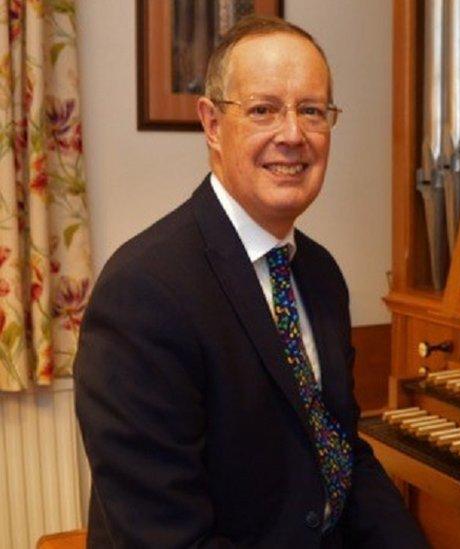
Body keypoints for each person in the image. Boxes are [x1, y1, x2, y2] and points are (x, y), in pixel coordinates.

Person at [74, 16, 428, 548]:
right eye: (263, 110)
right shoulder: (141, 293)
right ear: (212, 124)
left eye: (312, 111)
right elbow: (164, 538)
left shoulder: (321, 273)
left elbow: (340, 451)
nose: (293, 134)